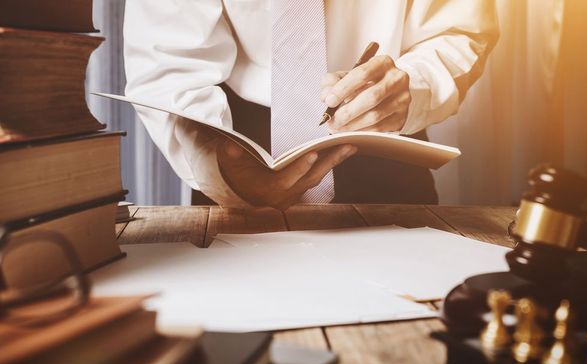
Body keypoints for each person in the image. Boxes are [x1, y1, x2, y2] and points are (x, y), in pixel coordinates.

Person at [123, 0, 498, 209]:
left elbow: (459, 28)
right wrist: (217, 168)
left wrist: (416, 85)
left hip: (388, 140)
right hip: (237, 150)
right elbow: (166, 60)